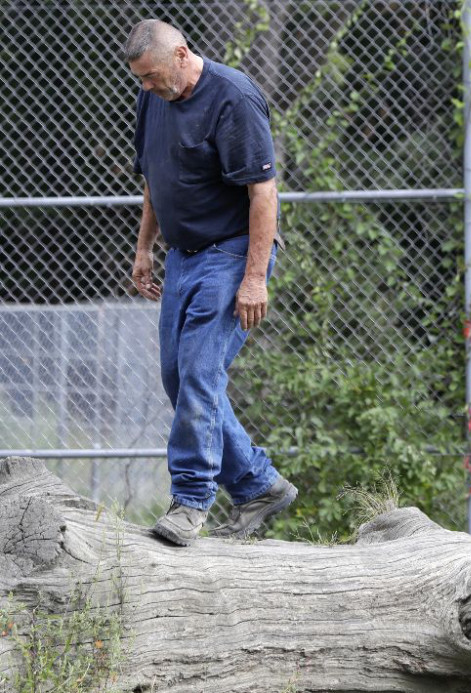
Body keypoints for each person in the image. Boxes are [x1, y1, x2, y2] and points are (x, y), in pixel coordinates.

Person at [124, 19, 296, 545]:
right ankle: (259, 485)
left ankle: (191, 500)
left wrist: (253, 281)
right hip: (183, 256)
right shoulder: (153, 97)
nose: (147, 87)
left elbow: (263, 194)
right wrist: (144, 248)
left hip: (232, 253)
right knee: (178, 380)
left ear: (181, 54)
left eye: (152, 76)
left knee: (200, 374)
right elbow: (156, 177)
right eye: (140, 80)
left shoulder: (233, 98)